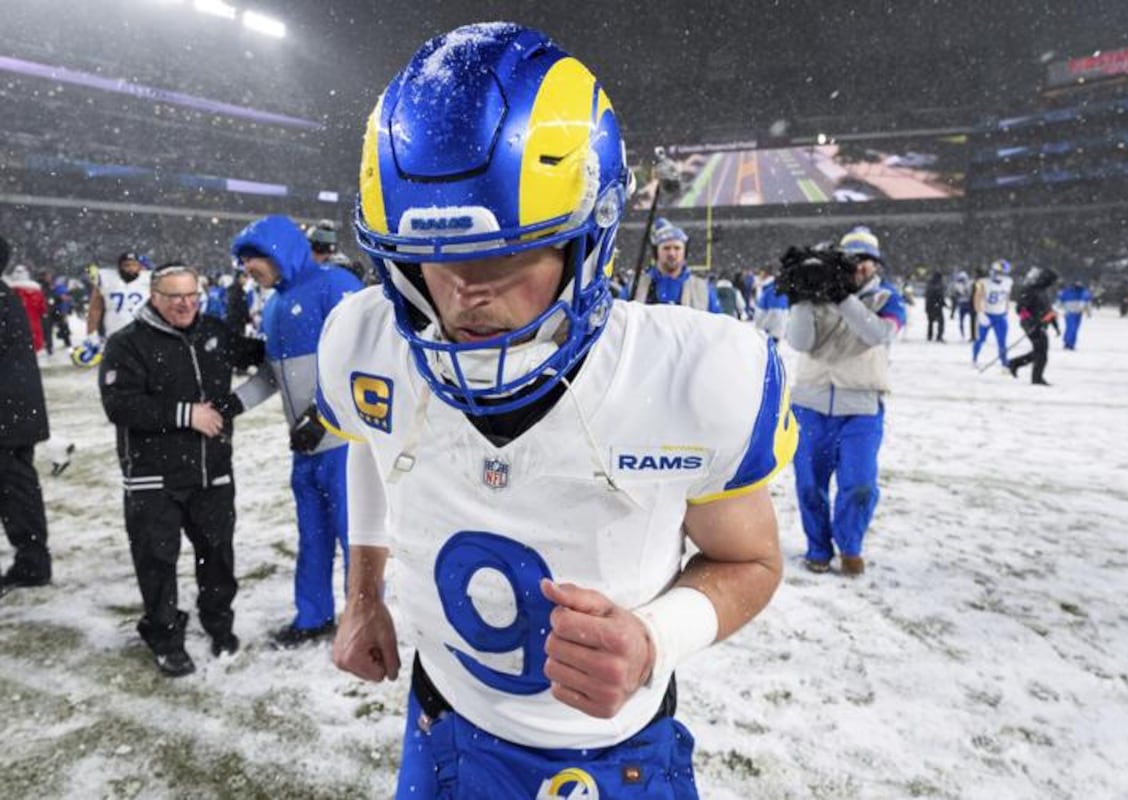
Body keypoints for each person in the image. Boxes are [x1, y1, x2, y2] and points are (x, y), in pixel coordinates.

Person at [320, 23, 795, 797]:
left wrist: (652, 639)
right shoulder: (365, 339)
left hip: (616, 754)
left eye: (504, 255)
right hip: (441, 723)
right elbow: (372, 445)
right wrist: (363, 596)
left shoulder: (692, 375)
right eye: (433, 264)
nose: (466, 295)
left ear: (588, 240)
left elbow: (752, 560)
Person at [98, 263, 264, 675]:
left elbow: (260, 355)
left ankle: (218, 624)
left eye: (192, 295)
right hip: (154, 478)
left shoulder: (214, 331)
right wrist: (185, 414)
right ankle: (165, 635)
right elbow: (119, 405)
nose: (186, 304)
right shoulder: (127, 343)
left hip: (212, 473)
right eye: (175, 297)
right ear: (154, 297)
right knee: (157, 561)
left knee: (217, 557)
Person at [229, 215, 363, 647]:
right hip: (304, 448)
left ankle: (362, 622)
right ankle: (313, 617)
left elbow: (364, 362)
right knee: (313, 535)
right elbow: (274, 374)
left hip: (345, 446)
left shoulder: (336, 285)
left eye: (252, 260)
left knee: (356, 538)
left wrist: (323, 418)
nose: (247, 269)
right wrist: (236, 403)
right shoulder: (273, 305)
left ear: (278, 251)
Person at [782, 227, 906, 576]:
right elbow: (801, 342)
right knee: (809, 484)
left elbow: (878, 334)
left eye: (867, 260)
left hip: (862, 408)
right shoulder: (818, 292)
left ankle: (850, 545)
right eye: (854, 260)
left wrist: (841, 298)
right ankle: (818, 547)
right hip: (811, 404)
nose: (861, 267)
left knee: (860, 483)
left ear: (877, 265)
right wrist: (803, 296)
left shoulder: (887, 298)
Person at [0, 237, 53, 596]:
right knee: (17, 490)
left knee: (16, 491)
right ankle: (32, 559)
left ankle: (33, 562)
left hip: (8, 413)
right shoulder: (6, 295)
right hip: (15, 410)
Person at [75, 251, 152, 367]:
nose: (131, 269)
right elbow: (95, 309)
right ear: (119, 267)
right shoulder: (107, 279)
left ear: (140, 266)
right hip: (115, 331)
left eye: (134, 265)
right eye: (127, 265)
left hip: (142, 332)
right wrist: (91, 333)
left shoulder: (150, 280)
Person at [633, 217, 722, 312]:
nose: (672, 253)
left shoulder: (702, 289)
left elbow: (717, 323)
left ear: (685, 252)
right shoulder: (636, 286)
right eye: (666, 248)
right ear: (656, 252)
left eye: (677, 248)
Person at [1008, 267, 1059, 386]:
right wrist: (1030, 321)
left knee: (1039, 352)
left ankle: (1015, 363)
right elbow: (1020, 308)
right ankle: (1036, 378)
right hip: (1031, 325)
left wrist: (1055, 324)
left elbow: (1048, 310)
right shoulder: (1031, 289)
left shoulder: (1045, 291)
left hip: (1041, 324)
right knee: (1041, 353)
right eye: (1052, 281)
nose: (1052, 284)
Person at [972, 259, 1013, 368]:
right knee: (980, 339)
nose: (1001, 276)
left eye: (1003, 273)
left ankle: (1004, 363)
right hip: (987, 314)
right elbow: (977, 298)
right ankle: (974, 359)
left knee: (1002, 341)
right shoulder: (983, 282)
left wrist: (1006, 310)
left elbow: (1007, 296)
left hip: (1000, 316)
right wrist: (980, 313)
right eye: (999, 273)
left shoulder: (1008, 281)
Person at [3, 265, 47, 356]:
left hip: (16, 326)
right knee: (35, 350)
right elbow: (42, 309)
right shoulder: (36, 291)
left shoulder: (10, 292)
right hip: (34, 324)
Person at [1058, 280, 1092, 350]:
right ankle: (1069, 343)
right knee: (1072, 328)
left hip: (1076, 314)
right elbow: (1059, 303)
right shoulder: (1068, 292)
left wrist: (1088, 312)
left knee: (1073, 329)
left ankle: (1070, 343)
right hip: (1070, 313)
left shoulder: (1083, 293)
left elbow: (1087, 304)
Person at [949, 270, 974, 339]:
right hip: (963, 304)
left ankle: (970, 334)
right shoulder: (958, 285)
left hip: (967, 304)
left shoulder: (969, 284)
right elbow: (954, 295)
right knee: (962, 321)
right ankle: (963, 334)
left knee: (970, 320)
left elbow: (970, 293)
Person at [924, 270, 947, 342]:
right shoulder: (939, 284)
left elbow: (927, 294)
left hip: (929, 305)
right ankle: (939, 336)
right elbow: (939, 295)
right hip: (936, 306)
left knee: (930, 321)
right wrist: (942, 303)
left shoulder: (929, 283)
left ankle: (929, 336)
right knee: (941, 321)